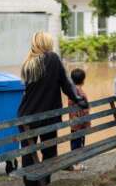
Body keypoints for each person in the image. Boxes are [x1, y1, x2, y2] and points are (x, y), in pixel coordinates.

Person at [18, 32, 88, 186]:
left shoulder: (28, 63)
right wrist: (78, 99)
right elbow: (66, 85)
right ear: (47, 44)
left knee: (28, 154)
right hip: (47, 116)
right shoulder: (52, 58)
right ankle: (44, 183)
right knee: (49, 152)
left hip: (25, 117)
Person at [66, 68, 90, 171]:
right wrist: (87, 122)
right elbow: (85, 109)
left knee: (74, 143)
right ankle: (77, 164)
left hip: (74, 123)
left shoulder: (71, 91)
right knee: (79, 144)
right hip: (80, 124)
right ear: (83, 80)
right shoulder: (81, 93)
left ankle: (75, 162)